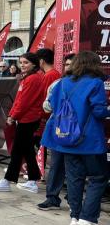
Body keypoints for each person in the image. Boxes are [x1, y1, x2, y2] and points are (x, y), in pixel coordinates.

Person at [41, 51, 110, 225]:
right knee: (98, 177)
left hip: (65, 138)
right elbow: (99, 111)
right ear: (93, 64)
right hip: (89, 141)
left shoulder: (62, 82)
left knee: (74, 178)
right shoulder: (95, 83)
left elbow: (52, 106)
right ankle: (88, 218)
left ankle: (75, 217)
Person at [0, 52, 44, 193]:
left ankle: (8, 181)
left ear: (34, 64)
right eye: (21, 62)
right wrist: (13, 114)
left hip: (28, 119)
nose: (22, 65)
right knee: (26, 151)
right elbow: (20, 99)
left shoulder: (32, 79)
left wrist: (12, 116)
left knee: (19, 151)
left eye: (26, 63)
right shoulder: (29, 78)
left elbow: (24, 101)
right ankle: (32, 180)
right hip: (27, 118)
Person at [37, 53, 75, 211]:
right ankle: (52, 198)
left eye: (72, 64)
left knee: (74, 168)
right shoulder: (58, 83)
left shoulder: (87, 84)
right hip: (59, 130)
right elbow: (46, 106)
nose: (69, 67)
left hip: (76, 133)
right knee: (56, 165)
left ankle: (74, 199)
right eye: (66, 64)